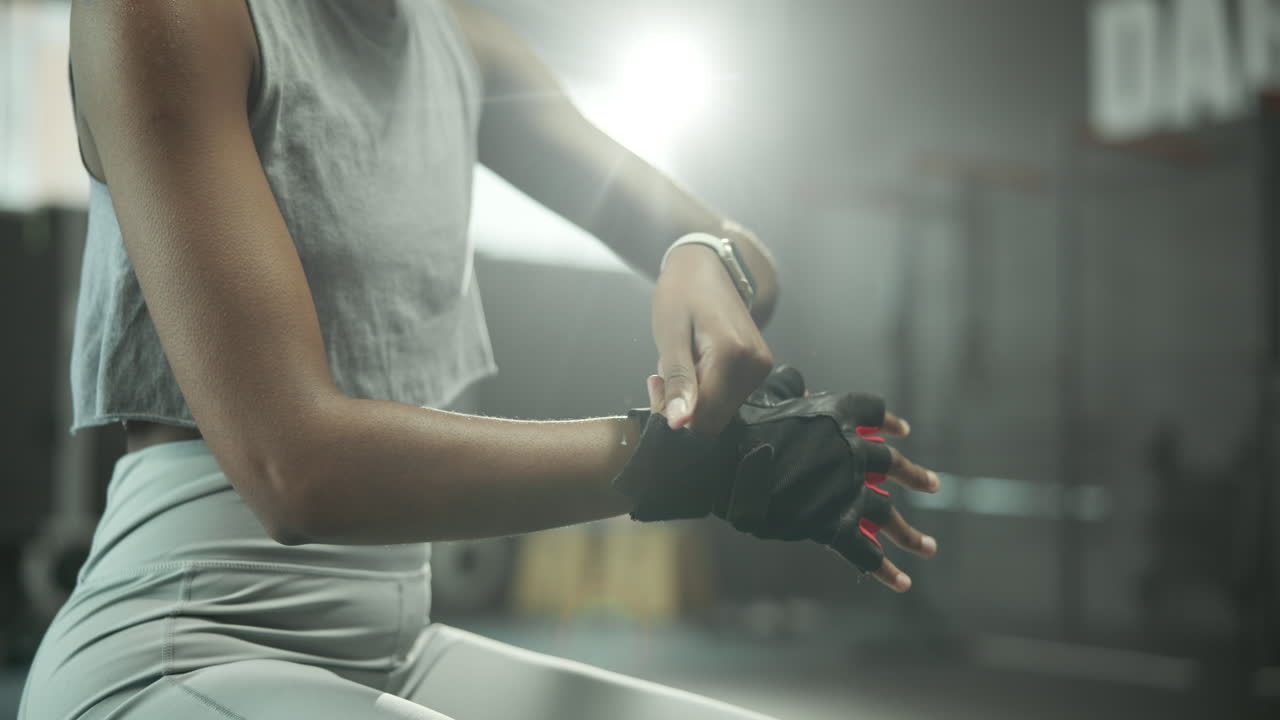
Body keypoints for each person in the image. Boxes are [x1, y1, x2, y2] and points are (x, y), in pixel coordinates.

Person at [19, 1, 941, 718]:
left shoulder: (467, 48)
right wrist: (689, 462)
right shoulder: (177, 14)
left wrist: (699, 253)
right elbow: (294, 469)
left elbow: (750, 262)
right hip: (178, 652)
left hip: (390, 644)